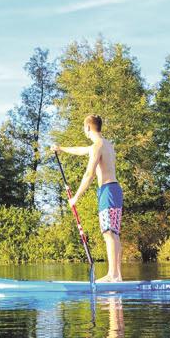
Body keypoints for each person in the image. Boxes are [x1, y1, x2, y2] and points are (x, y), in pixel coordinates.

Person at [52, 114, 124, 283]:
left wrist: (76, 197)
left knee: (109, 233)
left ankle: (113, 275)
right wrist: (61, 148)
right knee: (113, 233)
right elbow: (81, 150)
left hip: (108, 191)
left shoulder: (97, 146)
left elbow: (89, 174)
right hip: (113, 190)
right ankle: (116, 275)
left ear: (88, 128)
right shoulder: (106, 144)